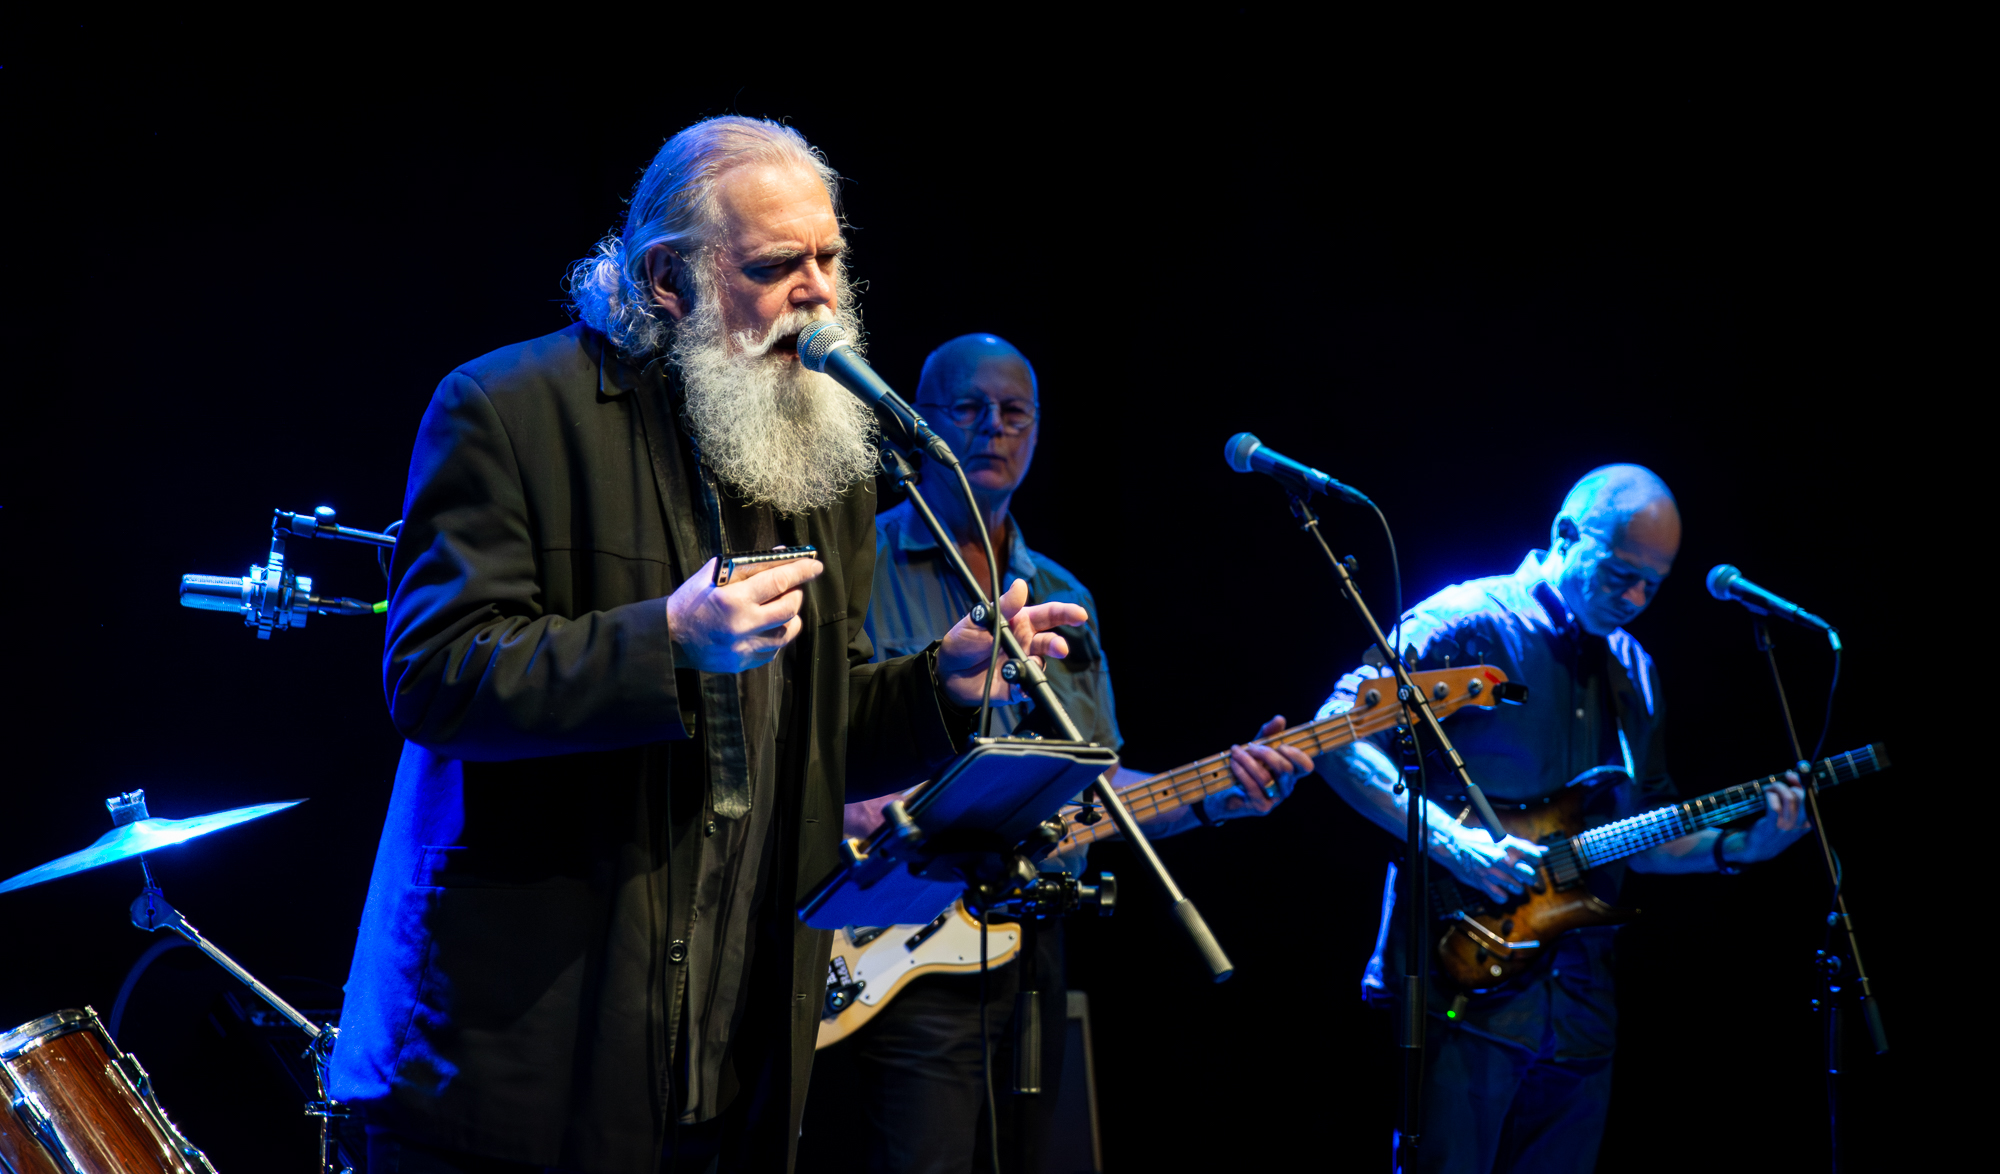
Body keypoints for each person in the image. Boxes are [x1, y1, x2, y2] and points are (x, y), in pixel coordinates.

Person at [328, 117, 1088, 1174]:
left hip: (732, 1062)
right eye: (775, 266)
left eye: (829, 258)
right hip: (521, 1058)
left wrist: (942, 688)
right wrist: (669, 640)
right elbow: (435, 675)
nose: (816, 293)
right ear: (666, 280)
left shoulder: (816, 449)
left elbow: (812, 744)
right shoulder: (507, 409)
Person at [799, 334, 1317, 1174]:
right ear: (919, 420)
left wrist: (1223, 789)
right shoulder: (858, 563)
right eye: (969, 408)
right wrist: (863, 806)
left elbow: (1096, 785)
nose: (993, 429)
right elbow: (816, 750)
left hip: (1031, 943)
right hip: (897, 937)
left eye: (1014, 412)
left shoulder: (1064, 595)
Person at [1313, 464, 1812, 1174]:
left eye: (1653, 586)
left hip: (1582, 1006)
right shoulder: (1468, 620)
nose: (1634, 599)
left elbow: (1644, 835)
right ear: (1566, 535)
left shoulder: (1637, 670)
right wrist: (1454, 843)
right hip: (1463, 988)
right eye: (1619, 574)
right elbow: (1334, 737)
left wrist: (1741, 848)